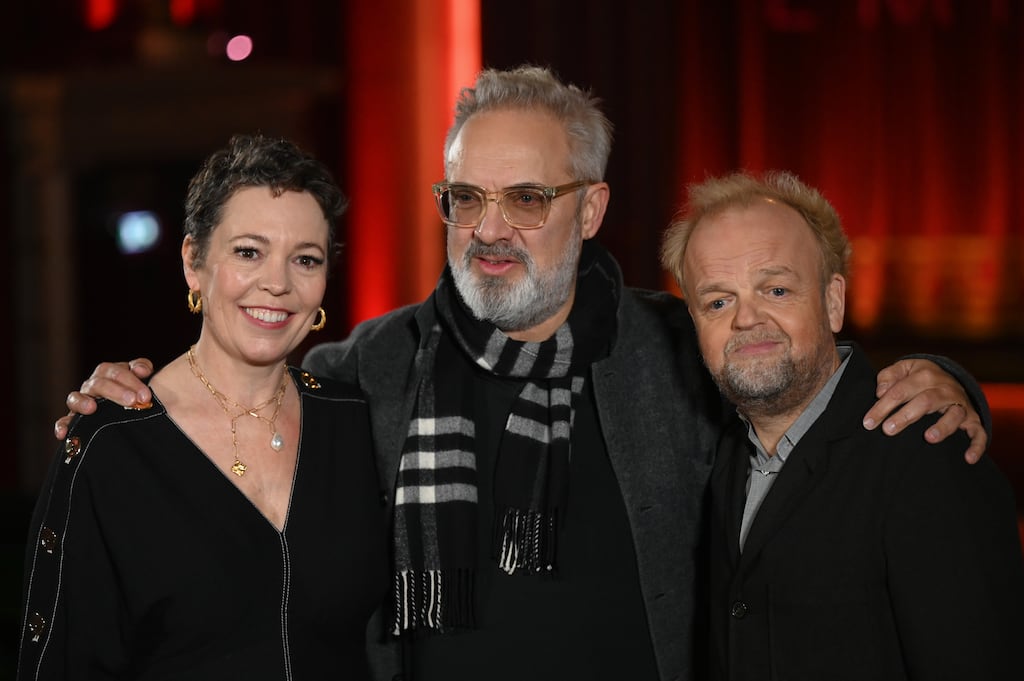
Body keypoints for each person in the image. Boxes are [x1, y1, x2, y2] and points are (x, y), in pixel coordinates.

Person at [54, 68, 990, 681]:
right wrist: (127, 393)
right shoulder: (367, 369)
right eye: (467, 198)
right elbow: (238, 385)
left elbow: (798, 384)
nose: (490, 228)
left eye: (527, 197)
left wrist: (946, 378)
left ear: (592, 210)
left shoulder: (676, 348)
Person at [20, 134, 388, 680]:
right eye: (248, 252)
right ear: (194, 262)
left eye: (305, 259)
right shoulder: (110, 447)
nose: (278, 283)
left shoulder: (354, 419)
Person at [661, 170, 1024, 680]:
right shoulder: (716, 449)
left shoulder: (927, 456)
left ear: (833, 301)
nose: (746, 319)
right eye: (718, 301)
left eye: (777, 289)